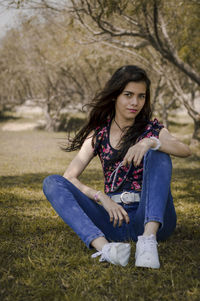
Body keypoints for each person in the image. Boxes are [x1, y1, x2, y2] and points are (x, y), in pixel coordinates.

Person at [43, 65, 191, 269]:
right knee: (52, 182)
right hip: (114, 219)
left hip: (152, 218)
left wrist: (150, 142)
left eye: (141, 96)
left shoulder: (152, 129)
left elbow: (185, 149)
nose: (135, 102)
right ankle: (106, 249)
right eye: (128, 95)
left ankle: (147, 241)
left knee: (158, 152)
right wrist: (101, 197)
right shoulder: (99, 134)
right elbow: (69, 177)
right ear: (115, 96)